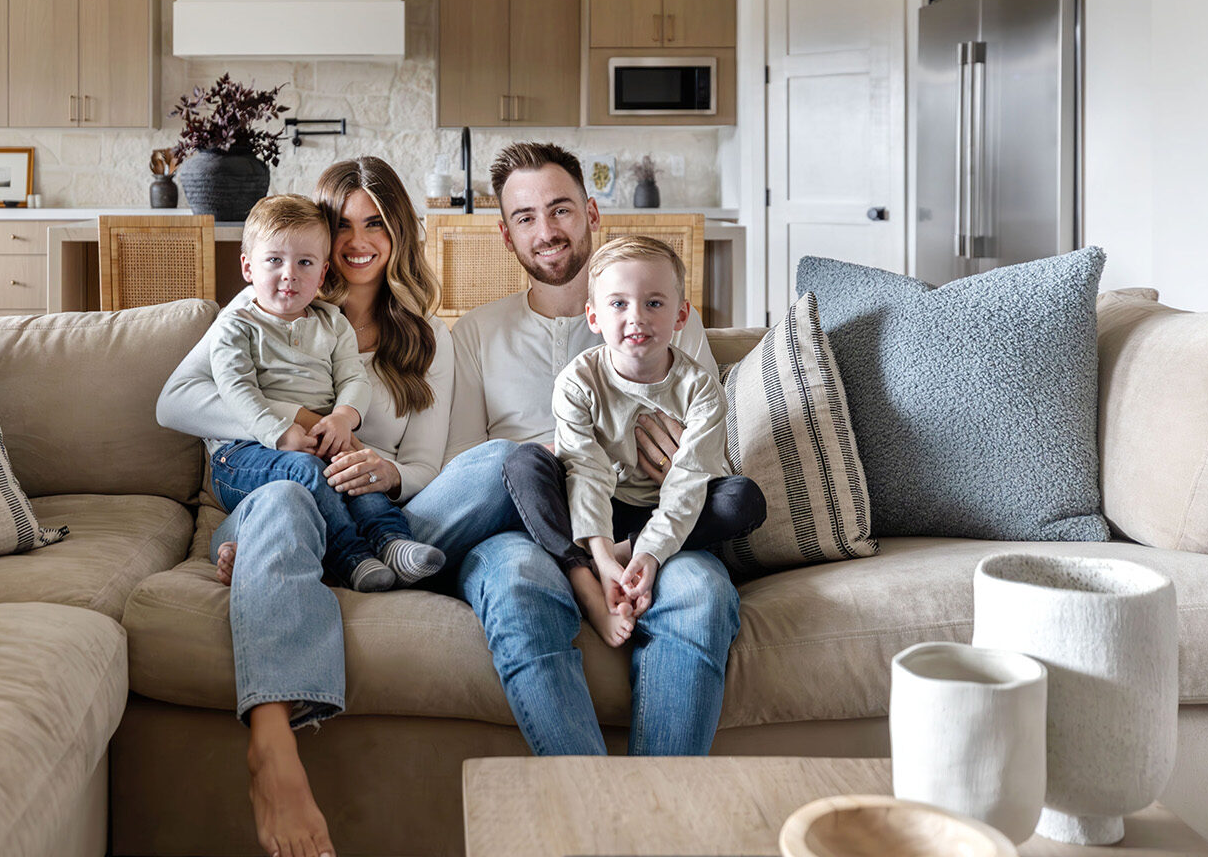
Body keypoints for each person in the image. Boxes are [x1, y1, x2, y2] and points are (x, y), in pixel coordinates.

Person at [156, 157, 520, 857]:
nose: (359, 241)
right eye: (344, 224)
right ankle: (272, 746)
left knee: (499, 466)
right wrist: (292, 417)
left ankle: (289, 564)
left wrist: (386, 471)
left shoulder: (426, 339)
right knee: (290, 492)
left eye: (375, 222)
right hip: (279, 495)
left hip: (385, 521)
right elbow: (174, 401)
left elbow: (433, 468)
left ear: (397, 232)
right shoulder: (266, 304)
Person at [447, 140, 743, 758]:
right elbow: (469, 469)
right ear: (507, 235)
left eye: (561, 210)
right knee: (520, 589)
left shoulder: (659, 313)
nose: (547, 231)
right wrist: (602, 445)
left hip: (648, 516)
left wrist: (655, 465)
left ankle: (653, 819)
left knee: (703, 596)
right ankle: (593, 814)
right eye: (526, 218)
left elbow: (705, 453)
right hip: (525, 527)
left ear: (591, 213)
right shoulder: (475, 334)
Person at [508, 235, 766, 648]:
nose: (637, 317)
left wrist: (647, 552)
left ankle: (623, 557)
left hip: (666, 510)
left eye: (654, 303)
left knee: (742, 497)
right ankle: (590, 579)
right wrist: (602, 553)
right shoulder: (578, 381)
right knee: (523, 462)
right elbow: (586, 472)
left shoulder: (700, 388)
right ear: (593, 316)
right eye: (618, 303)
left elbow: (689, 480)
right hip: (596, 507)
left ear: (681, 315)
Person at [206, 193, 445, 592]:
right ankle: (353, 558)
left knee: (354, 472)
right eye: (274, 261)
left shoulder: (331, 323)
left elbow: (354, 378)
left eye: (304, 263)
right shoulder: (236, 325)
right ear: (248, 267)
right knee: (311, 470)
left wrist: (342, 418)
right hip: (244, 451)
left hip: (319, 443)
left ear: (322, 274)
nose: (289, 274)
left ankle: (393, 543)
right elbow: (236, 389)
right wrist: (281, 432)